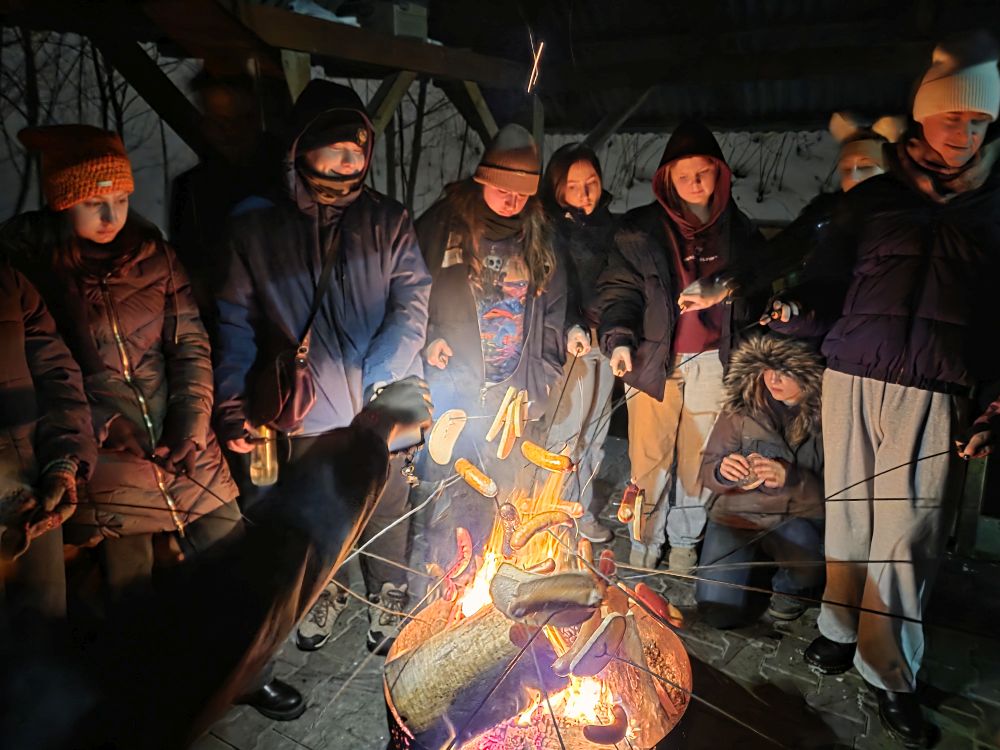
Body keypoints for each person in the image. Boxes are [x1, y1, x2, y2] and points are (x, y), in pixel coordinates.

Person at [0, 125, 300, 721]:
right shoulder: (35, 270)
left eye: (120, 199)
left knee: (233, 561)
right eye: (94, 202)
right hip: (105, 459)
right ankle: (159, 699)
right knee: (132, 590)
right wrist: (105, 425)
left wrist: (189, 424)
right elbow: (51, 369)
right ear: (62, 202)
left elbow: (189, 343)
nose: (111, 215)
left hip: (183, 442)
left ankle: (250, 674)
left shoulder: (153, 257)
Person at [770, 31, 1000, 746]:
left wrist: (992, 404)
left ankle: (890, 671)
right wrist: (797, 310)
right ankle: (840, 628)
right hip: (852, 375)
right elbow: (828, 281)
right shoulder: (875, 199)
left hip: (932, 390)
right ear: (924, 116)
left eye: (979, 121)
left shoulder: (993, 208)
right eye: (952, 116)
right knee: (849, 518)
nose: (964, 132)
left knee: (907, 538)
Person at [214, 80, 431, 656]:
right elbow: (235, 321)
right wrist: (233, 402)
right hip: (305, 407)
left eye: (356, 152)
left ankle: (387, 591)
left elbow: (412, 302)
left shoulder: (387, 220)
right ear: (300, 148)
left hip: (381, 398)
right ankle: (326, 592)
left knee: (386, 505)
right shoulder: (257, 228)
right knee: (320, 511)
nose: (347, 164)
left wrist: (384, 374)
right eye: (334, 150)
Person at [597, 120, 766, 571]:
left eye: (703, 172)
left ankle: (686, 540)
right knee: (648, 457)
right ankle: (644, 542)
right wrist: (619, 340)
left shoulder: (740, 232)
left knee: (700, 455)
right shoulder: (640, 229)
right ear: (667, 179)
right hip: (654, 357)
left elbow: (758, 289)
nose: (694, 181)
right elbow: (619, 291)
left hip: (715, 361)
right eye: (683, 174)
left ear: (719, 173)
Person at [417, 123, 567, 563]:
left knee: (502, 486)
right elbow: (407, 289)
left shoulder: (539, 232)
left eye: (521, 193)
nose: (511, 200)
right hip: (454, 377)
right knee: (448, 479)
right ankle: (445, 570)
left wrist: (544, 375)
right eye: (503, 189)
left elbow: (556, 311)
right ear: (482, 178)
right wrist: (427, 337)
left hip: (512, 388)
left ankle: (491, 569)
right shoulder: (444, 225)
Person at [695, 334, 825, 628]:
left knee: (811, 566)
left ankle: (790, 586)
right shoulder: (743, 404)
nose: (774, 379)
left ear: (808, 373)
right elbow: (707, 467)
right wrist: (723, 471)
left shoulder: (828, 414)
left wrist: (791, 478)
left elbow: (837, 496)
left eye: (786, 371)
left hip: (795, 517)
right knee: (718, 613)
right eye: (768, 368)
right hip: (739, 513)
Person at [0, 261, 96, 621]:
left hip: (32, 498)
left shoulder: (8, 282)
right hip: (17, 495)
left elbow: (56, 377)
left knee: (42, 635)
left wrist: (63, 462)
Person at [539, 142, 618, 543]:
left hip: (607, 342)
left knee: (596, 432)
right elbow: (553, 288)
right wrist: (570, 324)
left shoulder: (612, 228)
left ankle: (581, 511)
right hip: (571, 344)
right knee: (565, 432)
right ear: (557, 189)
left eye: (592, 183)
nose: (585, 193)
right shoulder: (548, 229)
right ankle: (551, 513)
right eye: (573, 186)